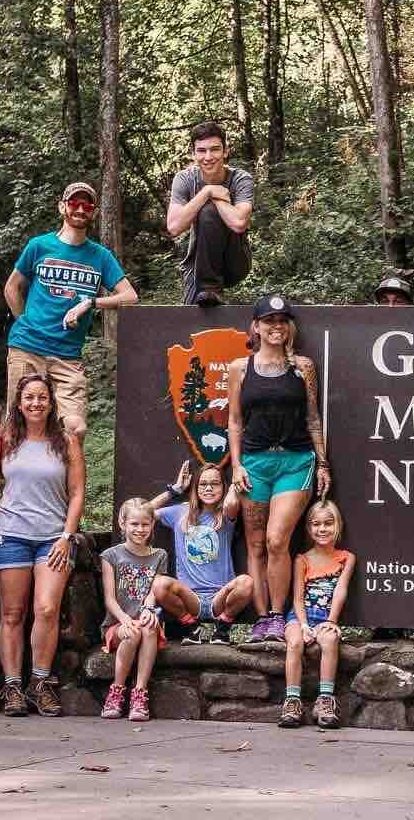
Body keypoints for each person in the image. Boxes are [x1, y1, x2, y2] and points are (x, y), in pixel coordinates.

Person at [228, 294, 330, 644]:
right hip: (254, 463)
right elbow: (235, 422)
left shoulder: (303, 366)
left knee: (276, 540)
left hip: (295, 460)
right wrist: (236, 467)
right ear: (255, 326)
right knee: (255, 545)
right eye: (269, 320)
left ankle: (278, 612)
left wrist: (323, 462)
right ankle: (262, 620)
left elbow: (313, 416)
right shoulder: (239, 368)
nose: (276, 326)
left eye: (282, 320)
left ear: (290, 327)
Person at [4, 181, 138, 440]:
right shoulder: (39, 246)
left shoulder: (100, 256)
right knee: (17, 428)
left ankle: (69, 483)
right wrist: (25, 322)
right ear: (62, 207)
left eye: (86, 204)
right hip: (27, 348)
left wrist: (91, 302)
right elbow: (12, 288)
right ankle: (10, 480)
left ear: (94, 212)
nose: (80, 209)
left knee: (74, 430)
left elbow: (130, 296)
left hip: (68, 357)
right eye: (74, 203)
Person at [0, 372, 86, 717]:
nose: (35, 403)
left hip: (52, 537)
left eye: (42, 398)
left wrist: (67, 535)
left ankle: (40, 683)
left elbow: (77, 494)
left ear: (51, 402)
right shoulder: (7, 439)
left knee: (46, 608)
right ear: (19, 403)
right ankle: (13, 685)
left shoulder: (65, 440)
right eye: (29, 397)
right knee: (12, 613)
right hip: (11, 533)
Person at [144, 459, 255, 645]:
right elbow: (143, 512)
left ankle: (222, 627)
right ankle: (191, 627)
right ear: (195, 488)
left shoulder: (226, 515)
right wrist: (175, 490)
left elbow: (232, 503)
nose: (209, 488)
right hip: (190, 598)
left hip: (220, 596)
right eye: (203, 484)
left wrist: (233, 488)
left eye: (215, 483)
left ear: (223, 486)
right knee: (159, 584)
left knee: (247, 583)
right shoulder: (180, 512)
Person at [279, 500, 356, 729]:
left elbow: (341, 590)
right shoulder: (302, 559)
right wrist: (303, 625)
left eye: (328, 524)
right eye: (316, 524)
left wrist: (331, 621)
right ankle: (292, 700)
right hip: (300, 616)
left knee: (330, 639)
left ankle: (325, 699)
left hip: (325, 616)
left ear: (337, 525)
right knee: (294, 643)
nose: (322, 529)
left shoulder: (346, 558)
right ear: (309, 528)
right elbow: (297, 598)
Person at [166, 120, 255, 306]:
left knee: (208, 211)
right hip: (200, 261)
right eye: (201, 150)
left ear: (225, 151)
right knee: (191, 317)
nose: (208, 157)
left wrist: (213, 199)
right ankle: (206, 292)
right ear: (193, 154)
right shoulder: (184, 179)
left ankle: (210, 288)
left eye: (214, 149)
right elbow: (174, 227)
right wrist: (208, 191)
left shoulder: (241, 178)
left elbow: (239, 223)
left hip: (234, 260)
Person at [99, 497, 168, 722]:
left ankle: (139, 694)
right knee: (133, 631)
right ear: (123, 523)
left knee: (146, 629)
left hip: (146, 620)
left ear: (152, 525)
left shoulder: (159, 555)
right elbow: (109, 599)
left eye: (145, 524)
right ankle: (117, 691)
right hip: (117, 623)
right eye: (134, 524)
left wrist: (149, 608)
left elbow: (154, 589)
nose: (140, 529)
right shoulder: (111, 555)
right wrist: (125, 619)